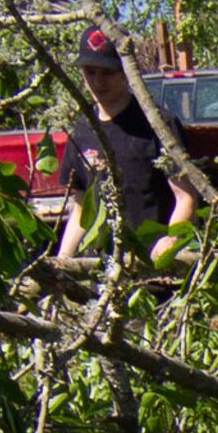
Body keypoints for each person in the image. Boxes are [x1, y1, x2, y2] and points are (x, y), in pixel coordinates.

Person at [59, 27, 201, 265]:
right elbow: (82, 206)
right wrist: (63, 261)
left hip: (154, 269)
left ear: (126, 71)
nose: (97, 82)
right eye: (90, 72)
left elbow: (186, 198)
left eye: (107, 73)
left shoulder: (159, 125)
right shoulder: (82, 129)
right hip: (105, 269)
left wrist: (170, 242)